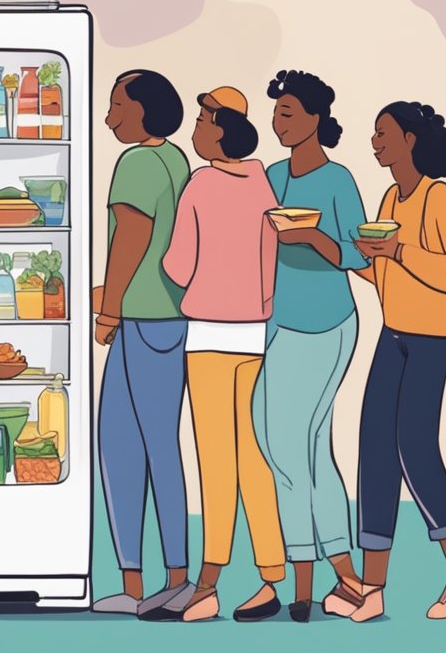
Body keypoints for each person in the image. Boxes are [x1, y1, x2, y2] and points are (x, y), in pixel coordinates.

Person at [350, 101, 446, 621]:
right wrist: (351, 258)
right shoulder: (389, 196)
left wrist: (399, 250)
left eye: (383, 134)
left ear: (409, 140)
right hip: (394, 333)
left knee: (414, 447)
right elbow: (387, 279)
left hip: (430, 339)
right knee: (375, 449)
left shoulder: (438, 196)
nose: (375, 141)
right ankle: (373, 587)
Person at [162, 86, 284, 623]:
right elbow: (272, 258)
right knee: (255, 457)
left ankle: (208, 582)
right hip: (254, 335)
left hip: (209, 333)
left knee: (216, 460)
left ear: (219, 128)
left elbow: (178, 265)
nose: (195, 127)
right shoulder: (264, 184)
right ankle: (269, 576)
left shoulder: (201, 183)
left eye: (202, 118)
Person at [251, 70, 368, 622]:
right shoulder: (271, 175)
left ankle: (303, 581)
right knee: (304, 449)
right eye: (276, 113)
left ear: (317, 119)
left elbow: (363, 255)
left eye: (290, 113)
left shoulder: (337, 178)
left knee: (286, 450)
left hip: (323, 324)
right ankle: (346, 573)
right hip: (277, 325)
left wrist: (315, 238)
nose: (279, 122)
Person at [90, 69, 192, 618]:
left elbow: (131, 240)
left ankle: (147, 580)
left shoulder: (135, 164)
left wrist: (108, 310)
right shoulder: (175, 159)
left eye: (117, 106)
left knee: (128, 450)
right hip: (167, 317)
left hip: (140, 320)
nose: (109, 116)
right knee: (152, 447)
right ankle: (162, 578)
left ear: (143, 110)